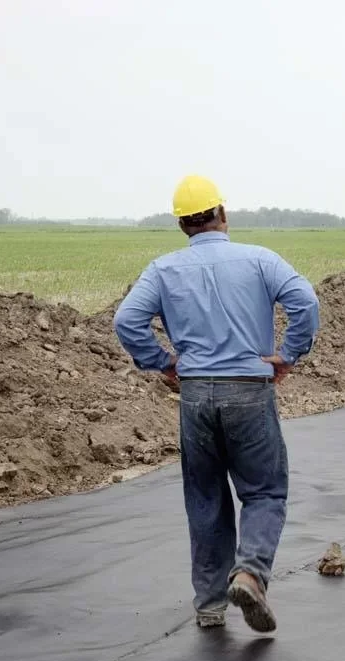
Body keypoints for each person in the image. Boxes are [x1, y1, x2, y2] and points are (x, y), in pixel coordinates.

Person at [113, 175, 320, 632]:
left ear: (182, 225)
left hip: (194, 395)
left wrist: (163, 362)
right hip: (248, 389)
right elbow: (305, 301)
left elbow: (127, 320)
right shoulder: (260, 259)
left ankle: (209, 605)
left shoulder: (164, 269)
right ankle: (249, 573)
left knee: (205, 498)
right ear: (222, 214)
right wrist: (288, 355)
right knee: (264, 491)